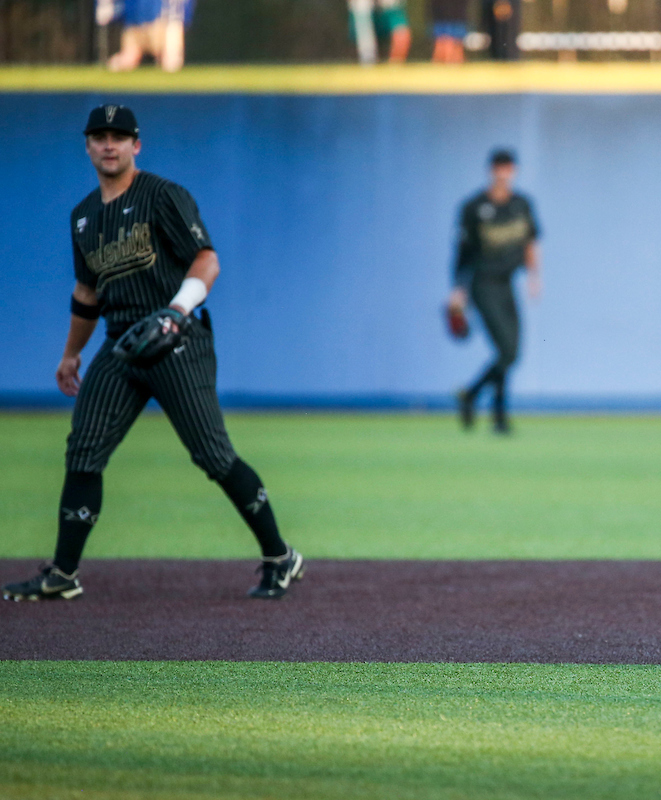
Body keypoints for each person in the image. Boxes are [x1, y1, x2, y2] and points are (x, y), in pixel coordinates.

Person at [2, 105, 304, 602]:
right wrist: (71, 354)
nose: (109, 144)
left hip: (176, 338)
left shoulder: (163, 195)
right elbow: (86, 292)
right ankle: (63, 573)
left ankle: (280, 556)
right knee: (83, 451)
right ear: (87, 146)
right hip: (121, 343)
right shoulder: (82, 218)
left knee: (212, 454)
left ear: (136, 145)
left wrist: (177, 310)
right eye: (100, 136)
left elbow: (207, 259)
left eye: (119, 136)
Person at [449, 149, 541, 434]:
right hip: (481, 284)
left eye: (508, 167)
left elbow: (530, 241)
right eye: (499, 167)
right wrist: (458, 290)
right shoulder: (474, 207)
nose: (504, 172)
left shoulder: (522, 204)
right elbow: (461, 252)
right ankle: (496, 415)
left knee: (510, 352)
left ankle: (474, 397)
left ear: (514, 171)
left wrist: (534, 276)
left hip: (507, 283)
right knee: (506, 351)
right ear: (491, 170)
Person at [348, 0, 411, 64]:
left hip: (388, 6)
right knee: (367, 48)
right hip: (363, 9)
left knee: (401, 33)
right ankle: (368, 64)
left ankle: (395, 66)